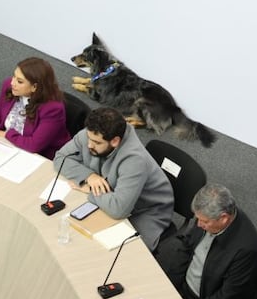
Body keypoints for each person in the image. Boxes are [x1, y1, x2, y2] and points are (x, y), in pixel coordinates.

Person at [53, 107, 173, 250]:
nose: (89, 145)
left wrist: (91, 189)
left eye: (97, 143)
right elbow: (60, 158)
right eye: (89, 138)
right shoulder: (93, 133)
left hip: (146, 211)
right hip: (112, 194)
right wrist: (89, 176)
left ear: (115, 141)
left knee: (107, 252)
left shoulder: (135, 160)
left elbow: (118, 209)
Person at [154, 184, 257, 299]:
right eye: (198, 219)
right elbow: (187, 248)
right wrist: (169, 285)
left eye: (204, 222)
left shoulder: (247, 250)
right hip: (187, 290)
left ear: (223, 218)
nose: (199, 225)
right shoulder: (208, 216)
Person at [0, 57, 71, 159]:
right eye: (14, 76)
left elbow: (33, 145)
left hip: (40, 156)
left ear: (35, 87)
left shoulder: (53, 109)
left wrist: (1, 133)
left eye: (19, 81)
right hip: (6, 145)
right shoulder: (9, 87)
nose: (12, 83)